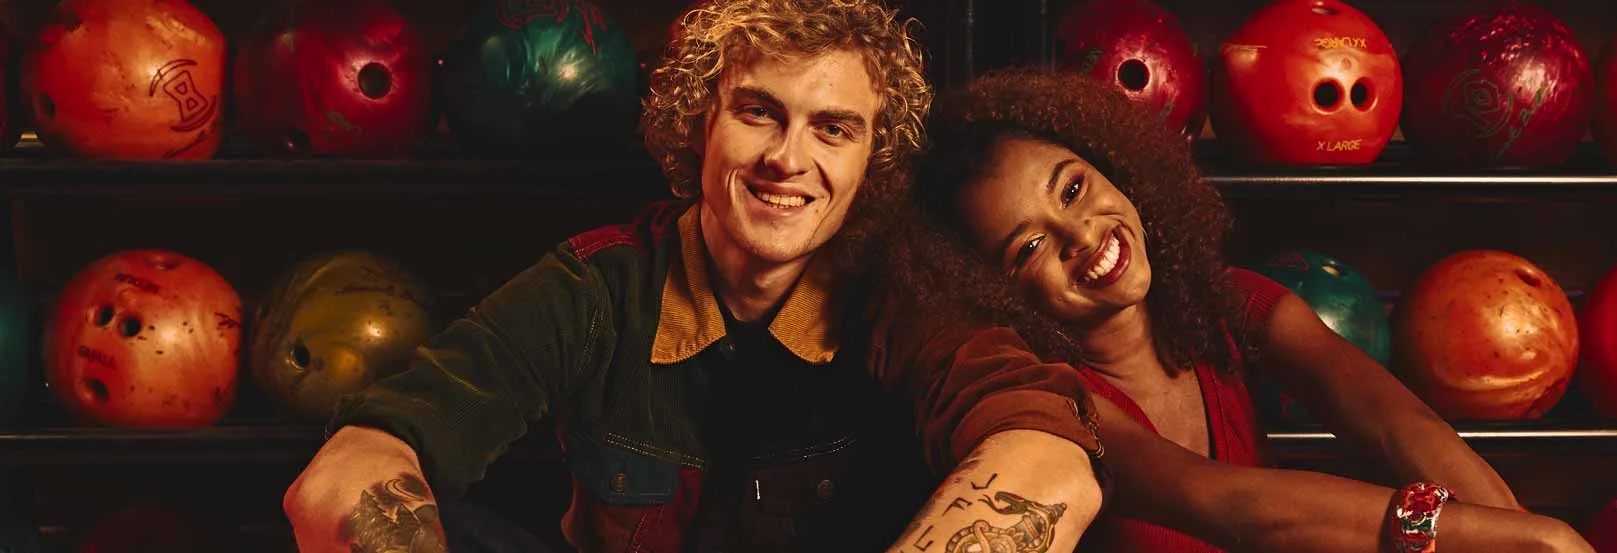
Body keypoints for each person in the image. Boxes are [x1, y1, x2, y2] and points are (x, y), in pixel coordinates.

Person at [281, 3, 1115, 552]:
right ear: (699, 122)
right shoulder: (597, 284)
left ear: (871, 162)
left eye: (833, 129)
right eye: (758, 112)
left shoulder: (900, 290)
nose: (788, 158)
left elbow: (1045, 460)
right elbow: (352, 464)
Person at [890, 67, 1598, 552]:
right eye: (1029, 248)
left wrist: (1522, 533)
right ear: (991, 289)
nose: (1080, 235)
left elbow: (1394, 421)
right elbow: (1231, 505)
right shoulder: (1057, 398)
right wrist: (1504, 539)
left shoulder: (1229, 299)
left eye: (1073, 189)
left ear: (1113, 166)